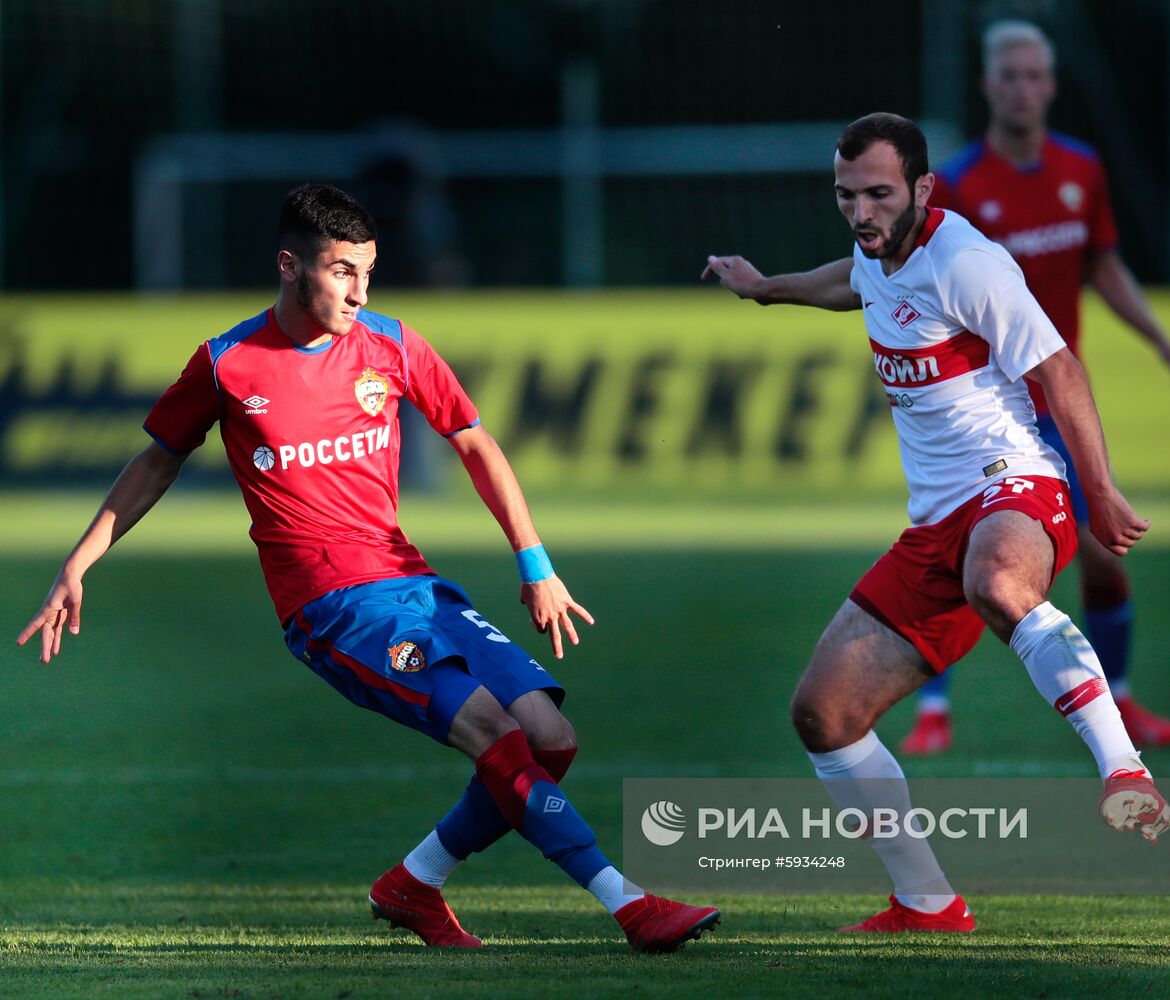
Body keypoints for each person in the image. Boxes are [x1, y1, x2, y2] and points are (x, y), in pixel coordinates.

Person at [17, 183, 719, 953]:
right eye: (341, 271)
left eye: (367, 273)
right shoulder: (226, 365)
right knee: (491, 729)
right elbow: (156, 463)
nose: (358, 291)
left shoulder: (390, 344)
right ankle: (628, 905)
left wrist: (536, 563)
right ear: (290, 266)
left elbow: (475, 443)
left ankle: (413, 886)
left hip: (413, 586)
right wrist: (77, 564)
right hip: (332, 611)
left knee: (549, 738)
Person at [703, 112, 1170, 933]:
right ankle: (926, 899)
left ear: (922, 188)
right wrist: (764, 286)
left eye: (879, 194)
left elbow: (1058, 367)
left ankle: (1122, 771)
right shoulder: (875, 248)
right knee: (824, 713)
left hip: (1016, 484)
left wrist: (1097, 490)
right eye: (846, 195)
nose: (860, 212)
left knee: (996, 579)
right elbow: (846, 281)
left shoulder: (968, 263)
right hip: (933, 525)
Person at [900, 20, 1170, 755]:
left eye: (1034, 76)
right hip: (988, 410)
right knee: (968, 557)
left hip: (1056, 401)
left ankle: (1120, 701)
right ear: (987, 87)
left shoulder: (1081, 170)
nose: (1022, 89)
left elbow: (1102, 265)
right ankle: (931, 706)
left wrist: (1161, 341)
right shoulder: (963, 184)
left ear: (1051, 86)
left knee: (1103, 554)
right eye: (1009, 77)